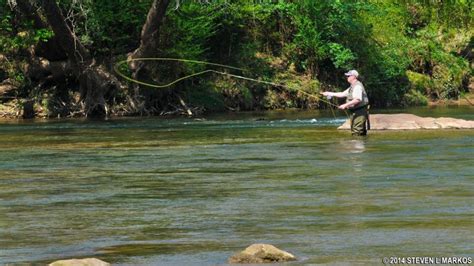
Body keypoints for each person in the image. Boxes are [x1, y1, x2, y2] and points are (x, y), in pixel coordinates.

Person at [321, 70, 370, 136]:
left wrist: (345, 105)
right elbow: (342, 94)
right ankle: (361, 144)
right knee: (359, 131)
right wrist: (329, 93)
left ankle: (357, 145)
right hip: (356, 111)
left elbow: (358, 100)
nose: (347, 77)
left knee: (357, 131)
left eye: (348, 76)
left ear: (354, 77)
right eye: (347, 76)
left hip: (360, 111)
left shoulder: (357, 86)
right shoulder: (352, 86)